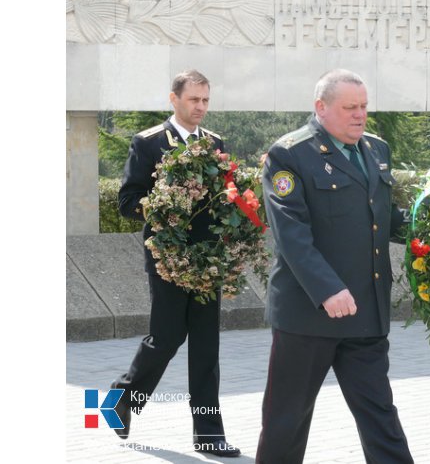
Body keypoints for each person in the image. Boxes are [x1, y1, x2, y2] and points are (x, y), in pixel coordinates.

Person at [256, 68, 413, 464]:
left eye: (363, 107)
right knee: (286, 422)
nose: (359, 115)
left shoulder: (376, 149)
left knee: (381, 417)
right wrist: (327, 288)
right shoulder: (289, 154)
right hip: (308, 317)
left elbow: (383, 217)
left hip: (365, 312)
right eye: (349, 108)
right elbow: (291, 233)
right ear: (321, 107)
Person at [111, 69, 240, 458]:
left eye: (205, 101)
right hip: (168, 259)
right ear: (174, 99)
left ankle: (209, 435)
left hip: (208, 261)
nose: (200, 107)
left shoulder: (216, 143)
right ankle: (122, 398)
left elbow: (225, 198)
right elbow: (127, 200)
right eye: (193, 100)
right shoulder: (148, 143)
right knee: (166, 338)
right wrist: (167, 206)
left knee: (206, 346)